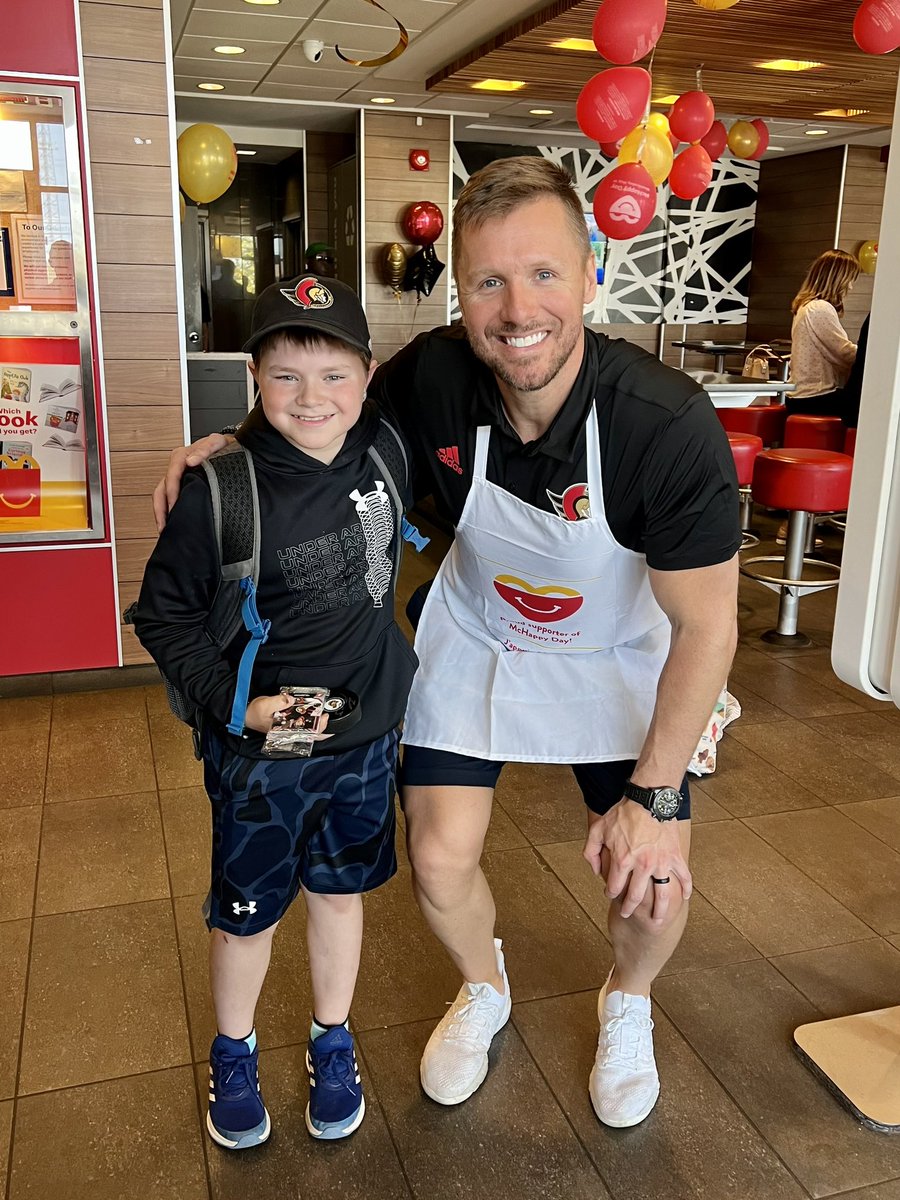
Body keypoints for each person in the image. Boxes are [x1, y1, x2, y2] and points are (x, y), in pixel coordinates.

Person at [156, 157, 740, 1130]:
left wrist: (654, 793)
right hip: (482, 636)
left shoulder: (661, 424)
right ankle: (485, 985)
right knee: (434, 858)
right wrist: (233, 443)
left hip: (623, 658)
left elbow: (707, 624)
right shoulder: (434, 375)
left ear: (590, 272)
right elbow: (318, 408)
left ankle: (628, 1002)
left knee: (655, 875)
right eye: (489, 282)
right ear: (461, 291)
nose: (519, 309)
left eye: (545, 273)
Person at [135, 274, 418, 1148]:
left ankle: (332, 1042)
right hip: (265, 757)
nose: (313, 397)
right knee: (247, 912)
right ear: (255, 376)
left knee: (340, 897)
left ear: (367, 377)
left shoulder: (384, 444)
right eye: (287, 375)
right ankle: (234, 1049)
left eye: (334, 374)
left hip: (366, 739)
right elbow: (162, 615)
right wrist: (239, 706)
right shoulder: (220, 490)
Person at [787, 249, 859, 421]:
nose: (850, 286)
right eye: (850, 280)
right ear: (837, 279)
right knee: (872, 405)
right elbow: (844, 353)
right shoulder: (820, 308)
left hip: (801, 397)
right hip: (814, 397)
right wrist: (870, 355)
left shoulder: (806, 306)